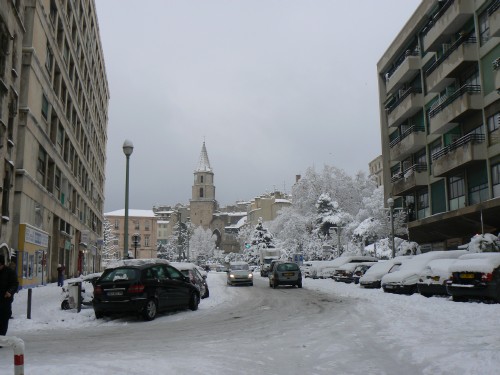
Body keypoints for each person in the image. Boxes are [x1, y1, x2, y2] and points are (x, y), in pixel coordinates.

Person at [0, 254, 18, 337]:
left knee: (3, 319)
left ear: (2, 264)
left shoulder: (10, 272)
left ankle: (1, 339)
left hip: (5, 300)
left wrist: (10, 292)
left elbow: (15, 284)